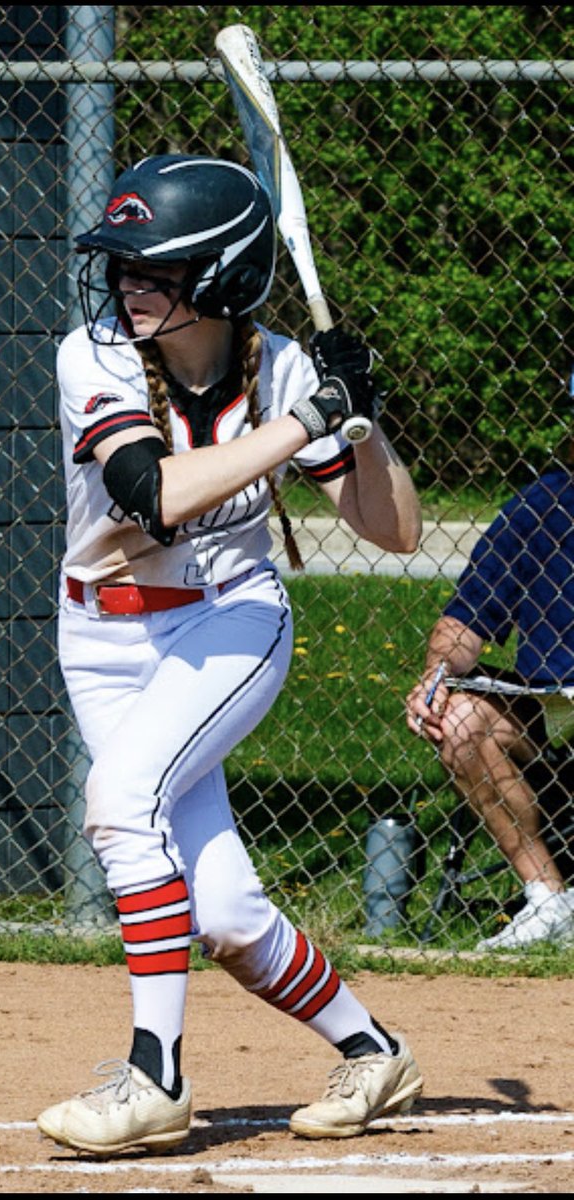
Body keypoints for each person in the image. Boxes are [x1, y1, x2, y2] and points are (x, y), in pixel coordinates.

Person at [37, 153, 424, 1157]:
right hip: (101, 636)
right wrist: (306, 421)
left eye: (150, 269)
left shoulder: (286, 369)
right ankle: (374, 1049)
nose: (125, 284)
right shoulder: (98, 356)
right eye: (120, 263)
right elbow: (151, 492)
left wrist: (363, 423)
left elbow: (397, 533)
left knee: (122, 804)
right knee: (227, 913)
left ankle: (153, 1077)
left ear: (215, 278)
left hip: (229, 621)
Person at [406, 427, 574, 952]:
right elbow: (465, 625)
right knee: (456, 719)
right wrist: (435, 678)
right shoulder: (540, 507)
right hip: (554, 719)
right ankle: (550, 902)